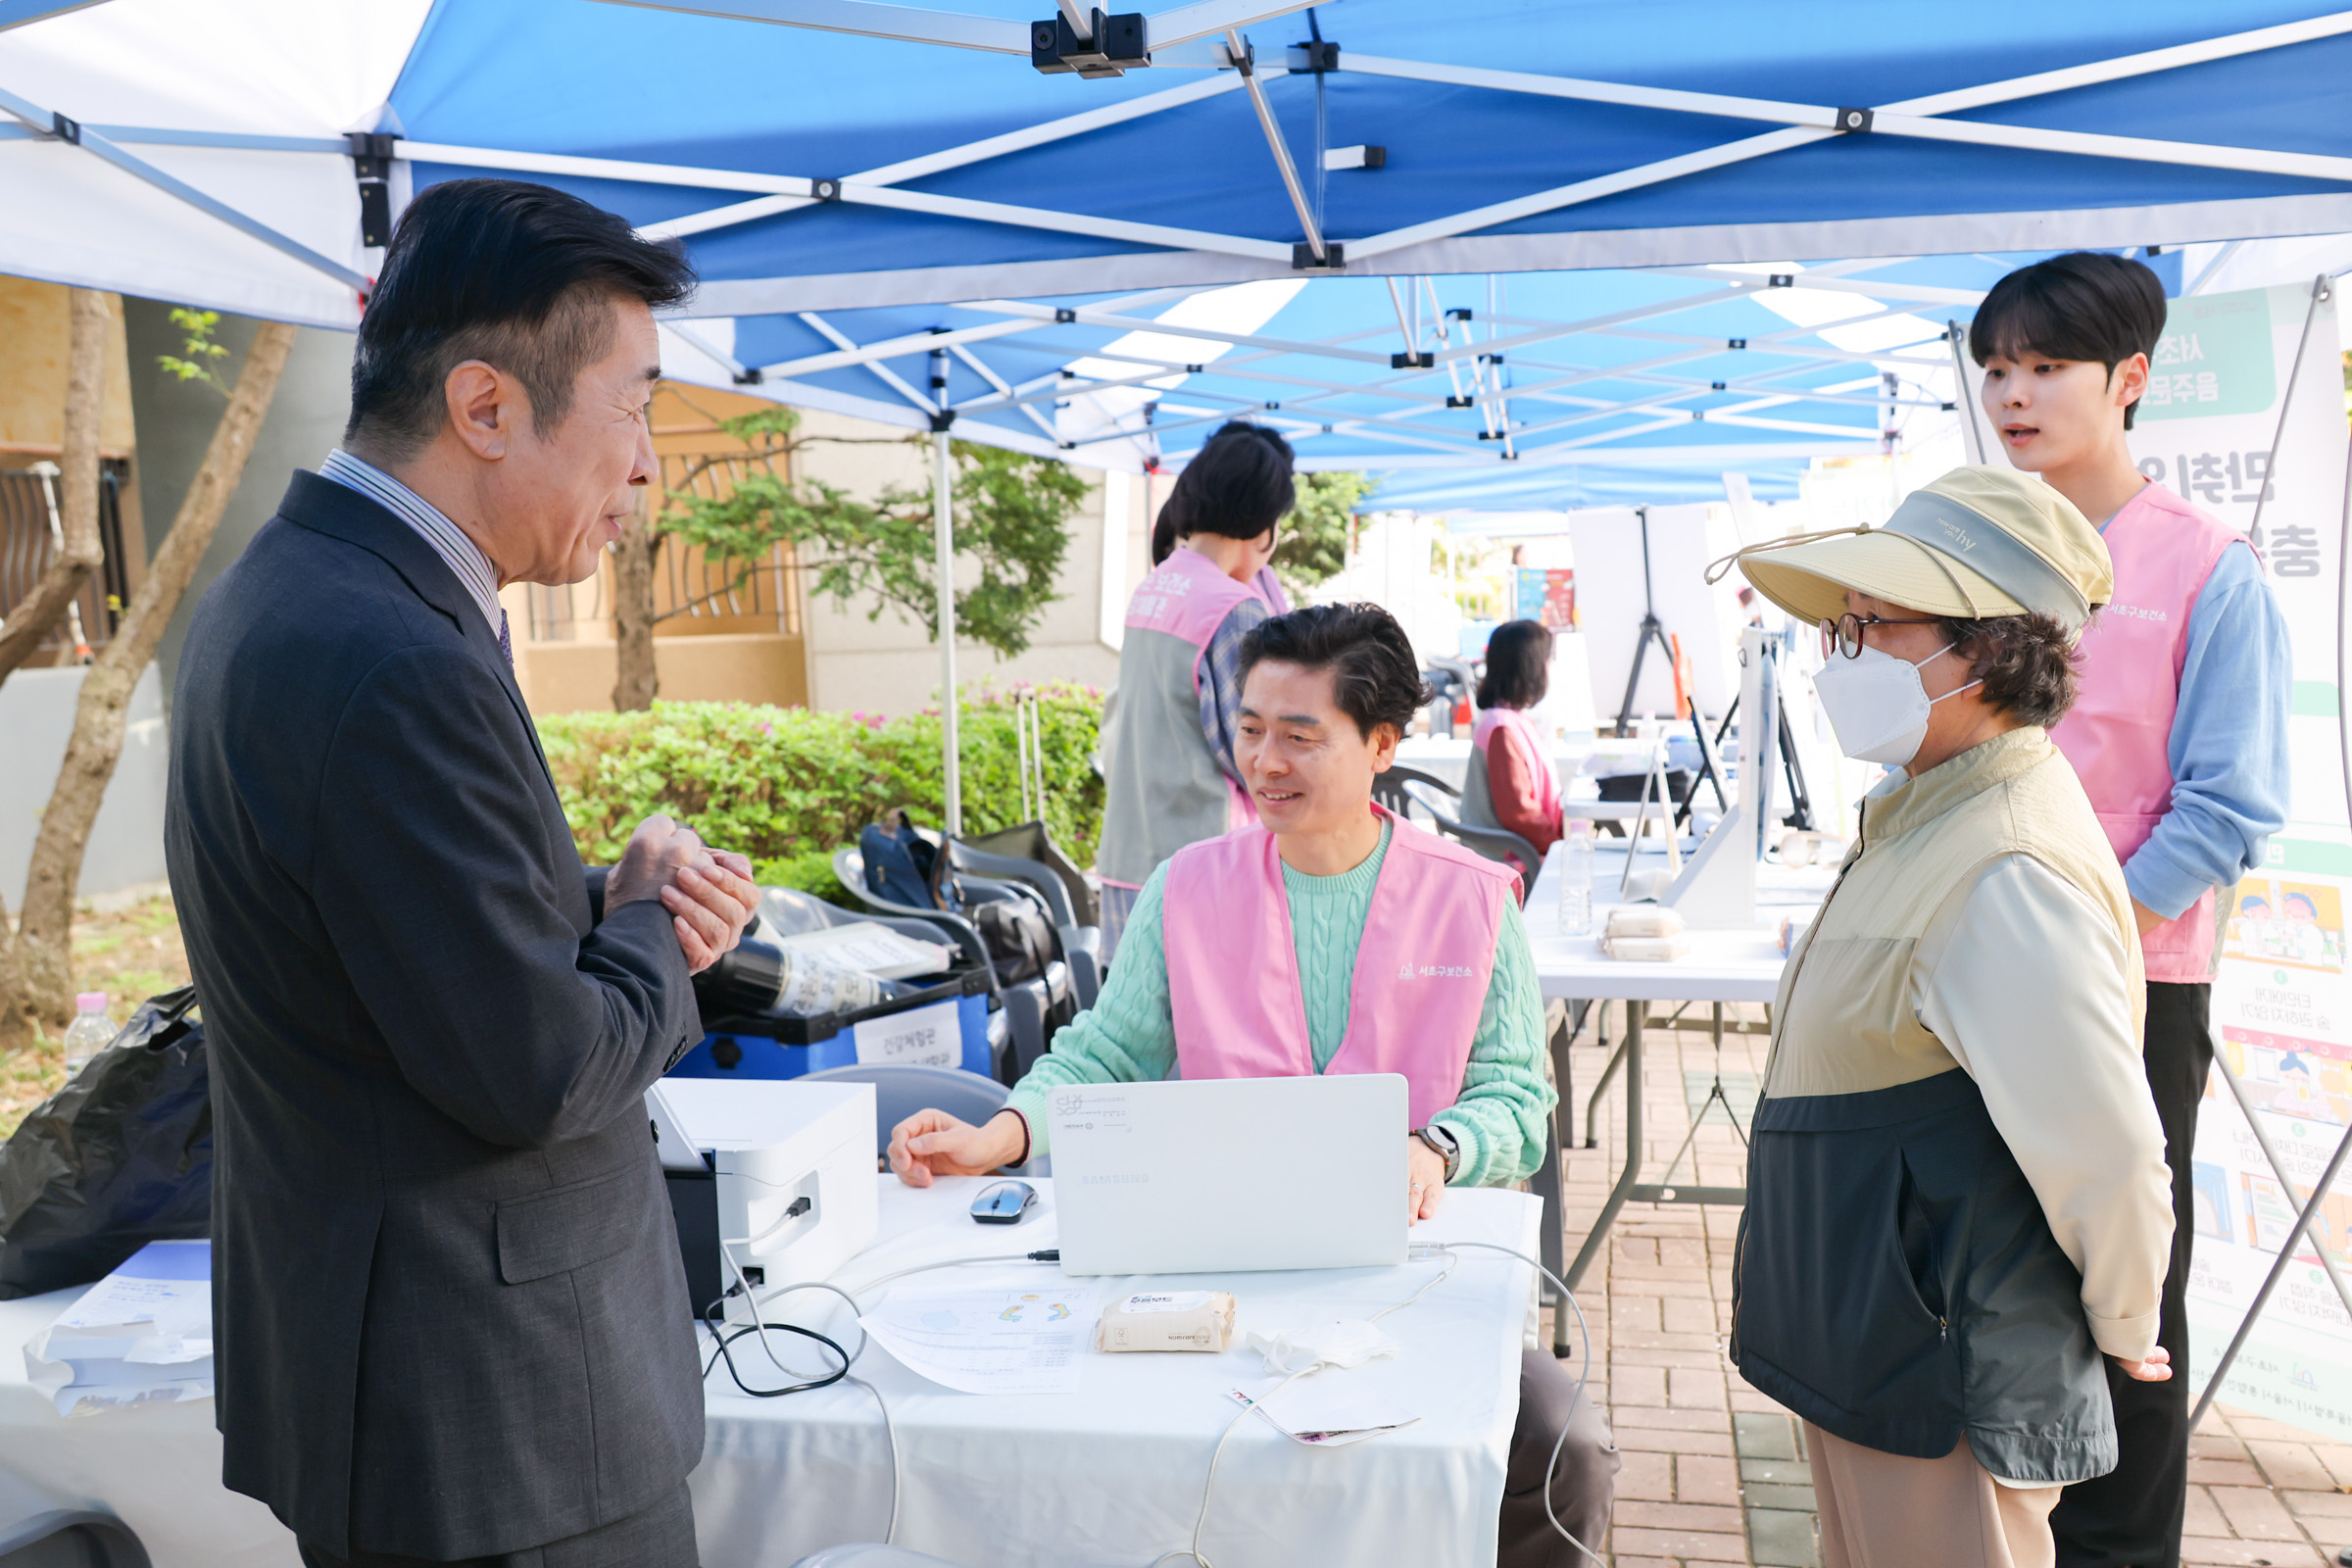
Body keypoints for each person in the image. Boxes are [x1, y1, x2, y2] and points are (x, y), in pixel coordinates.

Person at [165, 179, 760, 1568]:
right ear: (488, 409)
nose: (646, 465)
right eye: (636, 406)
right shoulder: (389, 656)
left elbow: (423, 972)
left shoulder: (307, 588)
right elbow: (534, 1072)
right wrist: (659, 929)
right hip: (501, 1420)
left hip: (423, 1379)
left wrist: (607, 914)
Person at [887, 602, 1618, 1566]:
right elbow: (1104, 1055)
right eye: (1250, 728)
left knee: (1570, 1452)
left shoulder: (1473, 898)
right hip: (1215, 1278)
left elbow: (1517, 1100)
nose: (1264, 760)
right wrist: (1005, 1133)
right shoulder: (1187, 888)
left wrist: (1436, 1147)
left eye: (1300, 735)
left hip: (1407, 1279)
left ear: (1383, 744)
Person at [1727, 466, 2175, 1568]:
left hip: (1943, 1361)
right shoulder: (1926, 806)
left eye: (1874, 626)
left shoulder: (2008, 858)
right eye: (1844, 627)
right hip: (1877, 1340)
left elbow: (2107, 1146)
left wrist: (2126, 1316)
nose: (1844, 655)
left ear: (1988, 647)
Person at [1972, 251, 2291, 1568]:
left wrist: (2079, 927)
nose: (2015, 392)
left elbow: (2227, 810)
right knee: (1985, 1277)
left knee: (2127, 1305)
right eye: (1997, 366)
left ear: (2132, 381)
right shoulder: (1977, 551)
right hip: (1971, 984)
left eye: (2047, 366)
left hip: (2129, 993)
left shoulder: (2210, 571)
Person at [1095, 421, 1295, 958]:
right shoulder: (1234, 608)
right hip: (1205, 866)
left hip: (1128, 859)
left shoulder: (1154, 587)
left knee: (1139, 1032)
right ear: (1263, 524)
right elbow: (1252, 753)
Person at [1464, 619, 1564, 869]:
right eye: (1546, 659)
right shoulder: (1502, 728)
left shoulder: (1505, 720)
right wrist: (1561, 843)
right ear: (1531, 667)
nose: (1550, 666)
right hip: (1507, 862)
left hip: (1516, 851)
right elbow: (1519, 813)